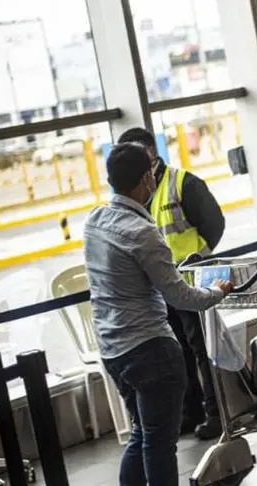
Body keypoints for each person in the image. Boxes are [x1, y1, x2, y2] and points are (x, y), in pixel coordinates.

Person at [84, 143, 233, 486]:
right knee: (160, 444)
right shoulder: (143, 233)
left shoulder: (94, 222)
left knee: (142, 435)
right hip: (151, 351)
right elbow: (178, 295)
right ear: (146, 179)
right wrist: (216, 293)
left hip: (113, 351)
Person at [116, 127, 226, 439]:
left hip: (190, 282)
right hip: (160, 289)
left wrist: (196, 260)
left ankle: (217, 413)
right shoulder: (136, 195)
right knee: (178, 353)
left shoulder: (182, 183)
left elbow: (214, 224)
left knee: (202, 349)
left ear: (153, 154)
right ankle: (191, 414)